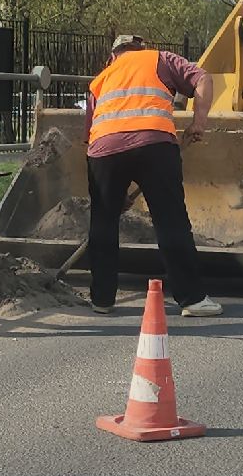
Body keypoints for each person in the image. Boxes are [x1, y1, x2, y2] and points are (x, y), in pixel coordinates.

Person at [85, 34, 221, 318]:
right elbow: (203, 79)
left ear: (113, 56)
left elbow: (92, 132)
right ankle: (192, 299)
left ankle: (101, 299)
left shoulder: (100, 79)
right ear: (139, 49)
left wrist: (114, 194)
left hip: (103, 151)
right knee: (170, 220)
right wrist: (199, 122)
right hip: (154, 145)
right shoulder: (159, 58)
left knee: (103, 223)